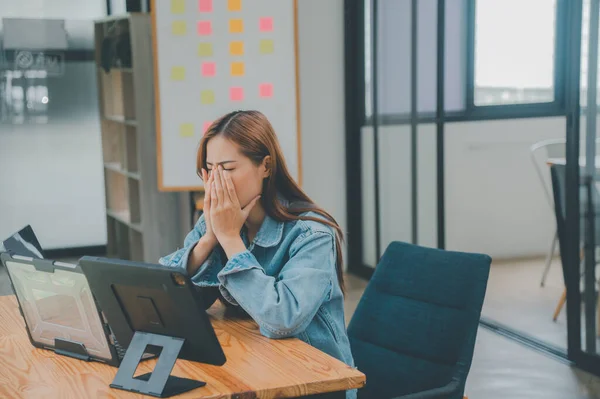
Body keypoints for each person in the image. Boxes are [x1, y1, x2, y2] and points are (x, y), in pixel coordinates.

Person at [159, 110, 356, 399]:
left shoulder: (311, 234)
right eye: (210, 169)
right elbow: (163, 295)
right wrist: (211, 238)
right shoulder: (217, 221)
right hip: (256, 364)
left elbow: (281, 319)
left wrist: (229, 240)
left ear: (265, 166)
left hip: (315, 385)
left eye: (227, 168)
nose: (216, 182)